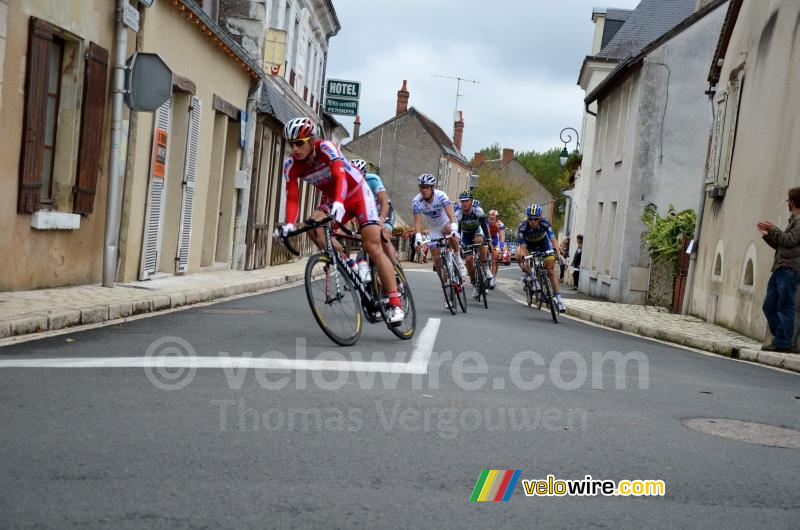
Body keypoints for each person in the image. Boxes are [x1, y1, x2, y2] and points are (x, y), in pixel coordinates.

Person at [274, 117, 404, 324]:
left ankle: (396, 303)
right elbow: (291, 196)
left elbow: (340, 175)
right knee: (312, 226)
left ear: (311, 140)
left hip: (357, 193)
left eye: (299, 143)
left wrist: (340, 201)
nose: (295, 149)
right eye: (291, 145)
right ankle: (349, 264)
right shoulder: (291, 165)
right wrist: (289, 224)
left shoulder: (326, 148)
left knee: (371, 245)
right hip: (334, 199)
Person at [412, 174, 468, 309]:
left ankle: (458, 259)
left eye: (426, 187)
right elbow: (417, 222)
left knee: (449, 230)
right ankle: (446, 288)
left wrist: (454, 228)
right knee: (437, 261)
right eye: (421, 187)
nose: (423, 190)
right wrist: (418, 238)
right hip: (434, 228)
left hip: (446, 222)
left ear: (432, 188)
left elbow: (451, 215)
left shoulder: (441, 195)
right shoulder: (416, 201)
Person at [758, 186, 800, 353]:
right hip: (780, 269)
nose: (787, 203)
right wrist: (767, 235)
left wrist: (773, 229)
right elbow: (782, 245)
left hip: (790, 270)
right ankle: (781, 337)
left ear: (794, 202)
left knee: (785, 307)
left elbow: (789, 240)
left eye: (788, 200)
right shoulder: (794, 221)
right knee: (768, 305)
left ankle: (783, 342)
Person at [516, 203, 567, 313]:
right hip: (528, 244)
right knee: (519, 255)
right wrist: (524, 259)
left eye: (535, 219)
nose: (533, 221)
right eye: (530, 219)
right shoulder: (522, 227)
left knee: (551, 271)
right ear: (527, 218)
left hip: (542, 243)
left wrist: (557, 252)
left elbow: (553, 239)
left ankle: (559, 299)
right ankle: (529, 274)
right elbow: (523, 248)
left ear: (540, 218)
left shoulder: (545, 223)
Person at [350, 159, 397, 264]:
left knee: (384, 234)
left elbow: (384, 201)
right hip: (368, 213)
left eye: (359, 175)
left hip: (384, 210)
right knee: (365, 240)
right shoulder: (350, 183)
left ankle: (395, 267)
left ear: (364, 174)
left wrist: (381, 219)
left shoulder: (373, 179)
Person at [456, 190, 493, 297]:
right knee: (468, 260)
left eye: (466, 201)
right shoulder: (458, 214)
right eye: (462, 201)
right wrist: (457, 243)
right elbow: (457, 231)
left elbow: (484, 226)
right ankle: (473, 283)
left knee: (479, 241)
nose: (464, 203)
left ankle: (485, 268)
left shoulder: (478, 211)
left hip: (477, 231)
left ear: (471, 201)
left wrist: (488, 239)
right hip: (466, 235)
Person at [487, 210, 506, 280]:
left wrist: (501, 246)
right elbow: (486, 235)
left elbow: (502, 236)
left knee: (495, 258)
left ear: (496, 219)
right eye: (490, 219)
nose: (491, 221)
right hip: (486, 238)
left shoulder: (500, 224)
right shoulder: (485, 223)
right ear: (488, 218)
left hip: (495, 239)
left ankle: (493, 277)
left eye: (493, 219)